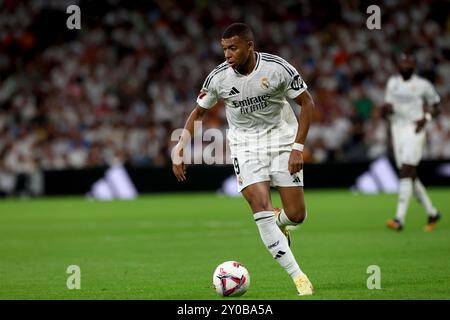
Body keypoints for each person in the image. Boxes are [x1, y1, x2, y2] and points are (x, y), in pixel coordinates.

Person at [172, 23, 315, 295]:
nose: (227, 54)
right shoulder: (218, 78)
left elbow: (307, 103)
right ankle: (299, 278)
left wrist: (298, 147)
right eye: (224, 48)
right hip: (245, 146)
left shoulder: (277, 69)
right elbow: (197, 114)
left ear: (250, 46)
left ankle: (280, 221)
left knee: (297, 216)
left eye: (233, 47)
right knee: (259, 207)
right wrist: (179, 148)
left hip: (282, 140)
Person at [383, 53, 441, 232]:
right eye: (403, 62)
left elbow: (436, 105)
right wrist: (387, 109)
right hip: (397, 130)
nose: (405, 65)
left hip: (415, 129)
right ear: (398, 65)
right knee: (410, 174)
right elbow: (388, 107)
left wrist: (427, 117)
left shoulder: (423, 85)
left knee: (406, 170)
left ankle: (399, 219)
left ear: (414, 66)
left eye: (409, 62)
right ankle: (432, 213)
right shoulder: (392, 83)